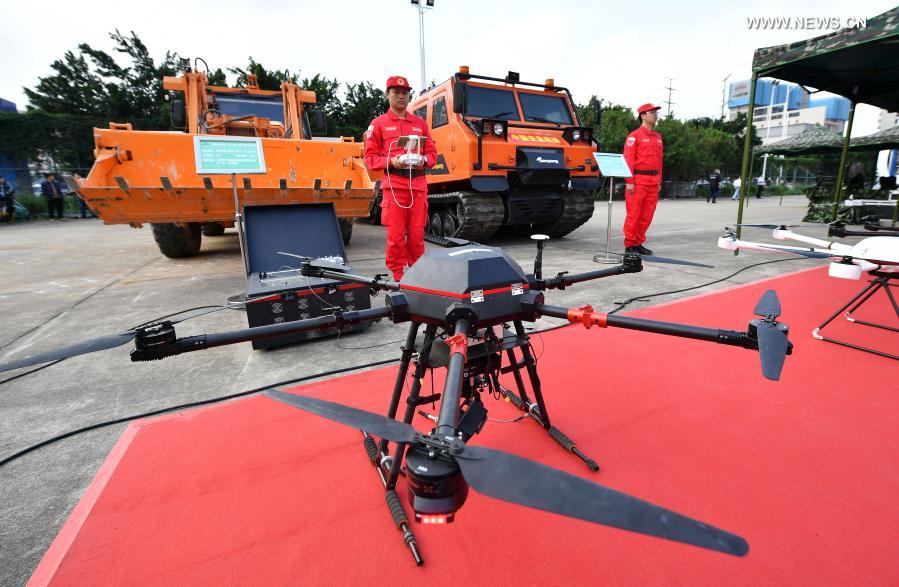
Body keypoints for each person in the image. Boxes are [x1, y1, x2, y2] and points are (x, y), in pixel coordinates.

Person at [364, 75, 437, 281]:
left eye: (405, 93)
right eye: (396, 92)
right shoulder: (378, 124)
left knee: (416, 235)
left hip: (418, 186)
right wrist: (391, 161)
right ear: (387, 95)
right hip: (394, 186)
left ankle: (417, 274)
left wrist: (423, 159)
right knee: (395, 237)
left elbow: (432, 154)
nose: (401, 97)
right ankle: (398, 276)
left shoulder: (420, 124)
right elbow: (370, 158)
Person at [622, 103, 663, 255]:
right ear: (643, 116)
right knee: (634, 214)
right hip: (638, 181)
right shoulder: (634, 136)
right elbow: (628, 160)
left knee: (647, 216)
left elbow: (659, 161)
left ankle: (638, 243)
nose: (655, 115)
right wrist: (629, 181)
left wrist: (659, 180)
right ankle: (630, 245)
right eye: (651, 112)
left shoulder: (658, 137)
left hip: (653, 182)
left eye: (655, 112)